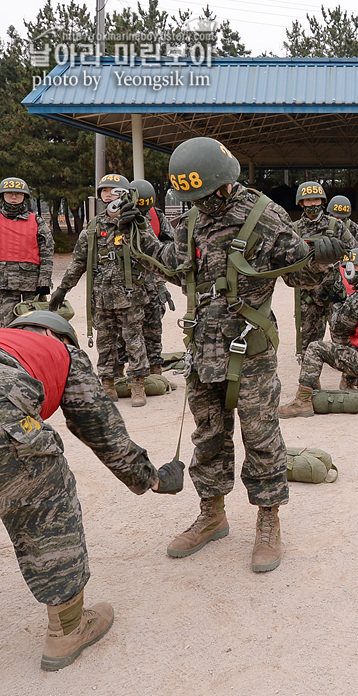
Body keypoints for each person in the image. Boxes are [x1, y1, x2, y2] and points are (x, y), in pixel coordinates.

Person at [126, 136, 336, 573]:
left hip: (250, 350)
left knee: (261, 437)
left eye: (203, 196)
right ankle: (212, 514)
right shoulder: (193, 220)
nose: (197, 205)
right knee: (208, 436)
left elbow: (301, 276)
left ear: (222, 185)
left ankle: (267, 520)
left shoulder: (266, 217)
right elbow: (171, 261)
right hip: (203, 349)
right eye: (191, 199)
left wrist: (321, 262)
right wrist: (136, 232)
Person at [0, 311, 181, 671]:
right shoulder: (59, 351)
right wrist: (152, 479)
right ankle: (68, 631)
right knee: (46, 516)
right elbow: (102, 431)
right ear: (53, 332)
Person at [49, 174, 151, 407]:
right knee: (105, 341)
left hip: (130, 295)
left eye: (113, 190)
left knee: (134, 340)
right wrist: (63, 290)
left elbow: (153, 255)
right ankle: (107, 382)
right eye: (104, 190)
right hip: (102, 298)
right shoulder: (94, 228)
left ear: (125, 193)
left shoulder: (137, 223)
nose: (107, 194)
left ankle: (137, 383)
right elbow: (78, 263)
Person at [279, 248, 358, 416]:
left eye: (352, 267)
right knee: (348, 369)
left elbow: (338, 329)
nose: (348, 271)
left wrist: (338, 303)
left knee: (315, 348)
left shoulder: (357, 299)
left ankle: (302, 400)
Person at [0, 177, 54, 327]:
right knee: (8, 324)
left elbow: (47, 253)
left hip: (32, 284)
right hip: (5, 283)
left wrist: (44, 281)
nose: (14, 197)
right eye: (9, 193)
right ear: (2, 196)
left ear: (25, 197)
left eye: (18, 194)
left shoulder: (37, 221)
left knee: (36, 324)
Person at [291, 181, 348, 363]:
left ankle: (347, 382)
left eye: (316, 199)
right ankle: (309, 385)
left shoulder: (336, 226)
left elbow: (354, 252)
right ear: (301, 203)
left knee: (342, 342)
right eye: (308, 200)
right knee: (308, 346)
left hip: (334, 292)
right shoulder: (294, 229)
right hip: (307, 294)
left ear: (322, 201)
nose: (313, 204)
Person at [129, 178, 176, 376]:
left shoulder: (157, 216)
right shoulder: (119, 220)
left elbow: (169, 248)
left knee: (154, 328)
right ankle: (134, 375)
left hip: (153, 282)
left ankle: (157, 373)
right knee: (129, 331)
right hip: (128, 284)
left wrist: (162, 284)